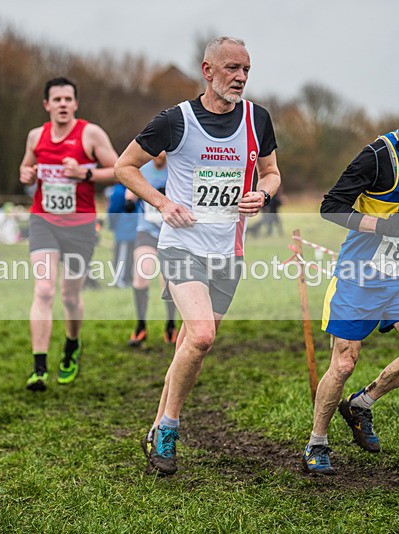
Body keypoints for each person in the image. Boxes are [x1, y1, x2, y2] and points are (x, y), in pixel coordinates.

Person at [114, 36, 281, 476]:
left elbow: (271, 173)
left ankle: (155, 427)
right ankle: (170, 427)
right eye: (232, 68)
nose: (241, 77)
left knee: (191, 342)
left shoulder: (257, 119)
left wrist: (262, 195)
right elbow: (123, 167)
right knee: (203, 336)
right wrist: (162, 202)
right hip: (181, 246)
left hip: (229, 251)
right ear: (208, 71)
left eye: (246, 69)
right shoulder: (176, 120)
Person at [302, 83, 399, 476]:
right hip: (360, 279)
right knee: (344, 363)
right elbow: (331, 206)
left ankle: (362, 404)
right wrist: (383, 225)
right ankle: (317, 442)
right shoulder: (377, 157)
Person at [19, 76, 119, 390]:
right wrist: (26, 174)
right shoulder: (36, 136)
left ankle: (72, 344)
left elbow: (119, 170)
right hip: (43, 222)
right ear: (46, 104)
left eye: (67, 99)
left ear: (75, 104)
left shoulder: (90, 134)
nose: (62, 104)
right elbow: (26, 168)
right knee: (44, 290)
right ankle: (39, 369)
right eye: (57, 99)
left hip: (80, 227)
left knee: (70, 296)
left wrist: (84, 173)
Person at [124, 152, 179, 347]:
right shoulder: (142, 169)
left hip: (171, 232)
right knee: (141, 274)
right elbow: (130, 190)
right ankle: (140, 326)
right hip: (146, 231)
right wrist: (129, 200)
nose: (158, 154)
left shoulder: (176, 168)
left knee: (167, 281)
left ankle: (170, 325)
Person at [107, 182, 137, 288]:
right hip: (126, 228)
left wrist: (112, 224)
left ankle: (123, 280)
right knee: (125, 255)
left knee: (124, 256)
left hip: (127, 229)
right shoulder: (120, 190)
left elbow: (113, 210)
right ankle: (121, 280)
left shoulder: (119, 190)